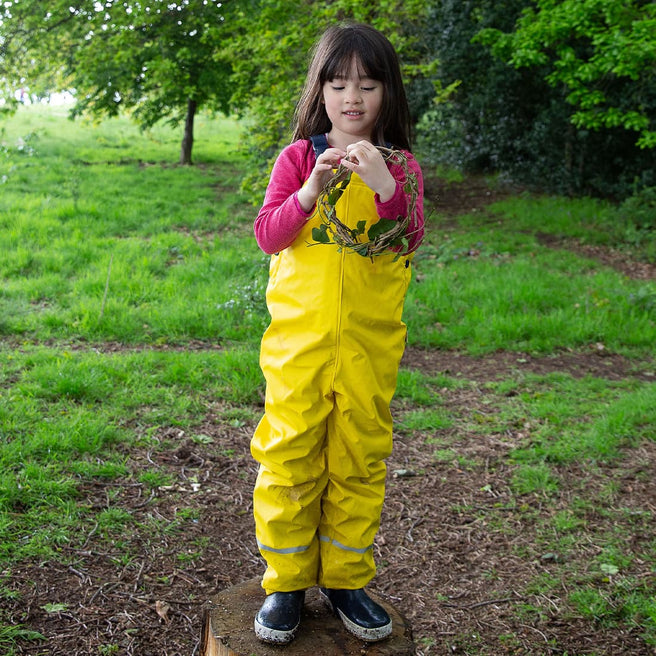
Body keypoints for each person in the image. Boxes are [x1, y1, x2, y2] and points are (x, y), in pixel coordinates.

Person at [250, 22, 424, 645]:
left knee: (359, 457)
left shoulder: (401, 167)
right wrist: (309, 190)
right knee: (290, 454)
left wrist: (381, 184)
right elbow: (269, 234)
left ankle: (348, 578)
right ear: (319, 91)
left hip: (369, 350)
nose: (353, 97)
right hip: (299, 349)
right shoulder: (299, 158)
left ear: (388, 95)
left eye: (369, 85)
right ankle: (287, 584)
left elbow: (410, 236)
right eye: (339, 82)